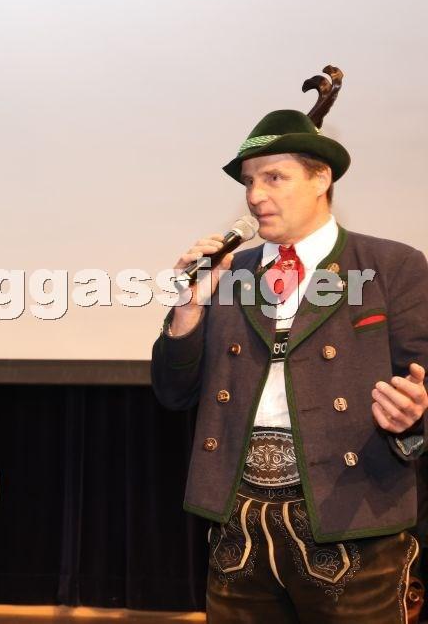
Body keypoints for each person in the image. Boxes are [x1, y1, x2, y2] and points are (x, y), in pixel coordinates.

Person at [151, 99, 428, 622]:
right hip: (238, 522)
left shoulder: (391, 265)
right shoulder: (229, 272)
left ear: (322, 178)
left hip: (350, 515)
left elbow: (422, 379)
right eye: (249, 182)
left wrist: (415, 412)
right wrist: (187, 308)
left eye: (274, 178)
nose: (255, 196)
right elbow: (173, 391)